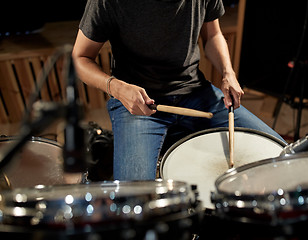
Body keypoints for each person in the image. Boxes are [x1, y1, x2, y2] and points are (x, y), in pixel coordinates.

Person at [72, 0, 286, 181]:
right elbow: (80, 58)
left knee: (283, 156)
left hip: (197, 94)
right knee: (136, 199)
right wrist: (117, 87)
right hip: (139, 104)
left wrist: (228, 72)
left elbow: (212, 35)